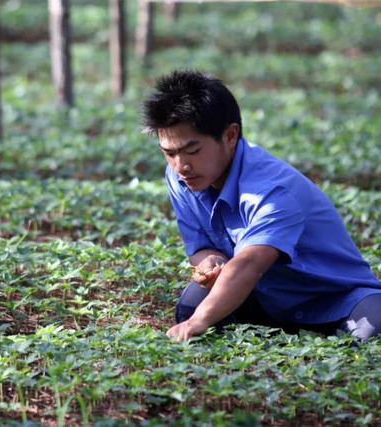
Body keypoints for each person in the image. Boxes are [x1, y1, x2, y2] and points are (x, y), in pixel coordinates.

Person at [142, 70, 381, 341]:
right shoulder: (181, 178)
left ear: (230, 136)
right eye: (169, 153)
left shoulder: (273, 191)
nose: (181, 165)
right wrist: (209, 261)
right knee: (191, 305)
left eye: (192, 151)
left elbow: (249, 264)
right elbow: (200, 248)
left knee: (372, 332)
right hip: (265, 296)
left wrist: (201, 320)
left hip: (336, 300)